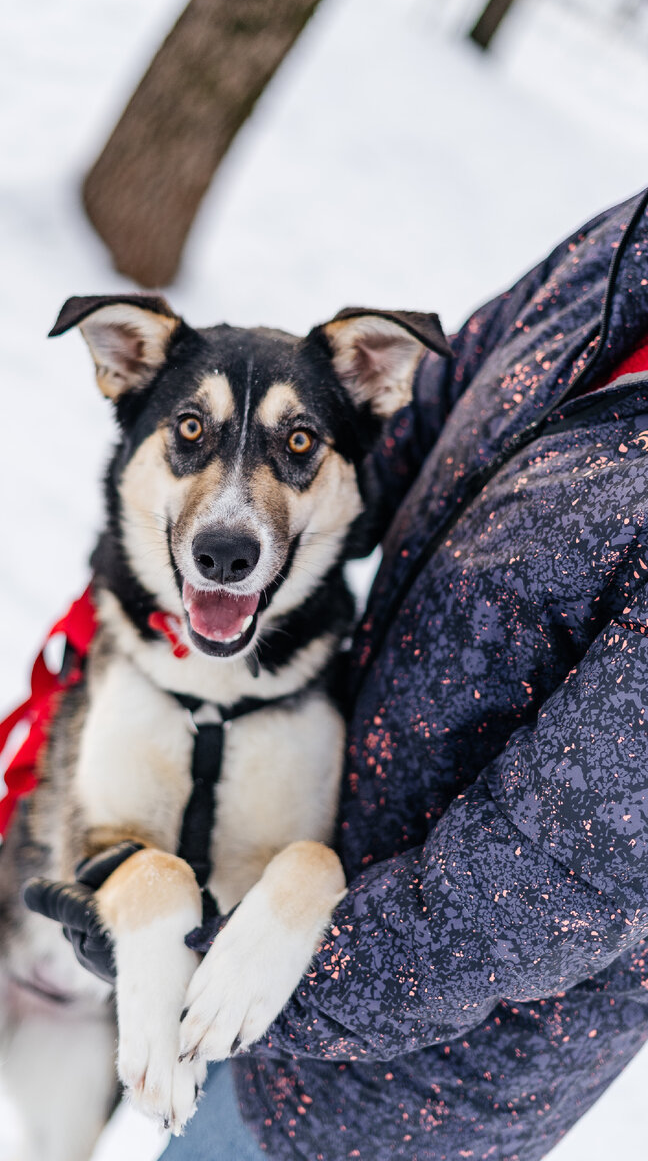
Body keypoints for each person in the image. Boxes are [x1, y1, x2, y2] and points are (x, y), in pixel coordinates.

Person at [33, 187, 648, 1160]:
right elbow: (431, 414)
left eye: (290, 450)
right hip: (275, 927)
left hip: (385, 1101)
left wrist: (262, 972)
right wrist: (139, 592)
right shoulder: (627, 243)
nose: (228, 518)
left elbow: (553, 879)